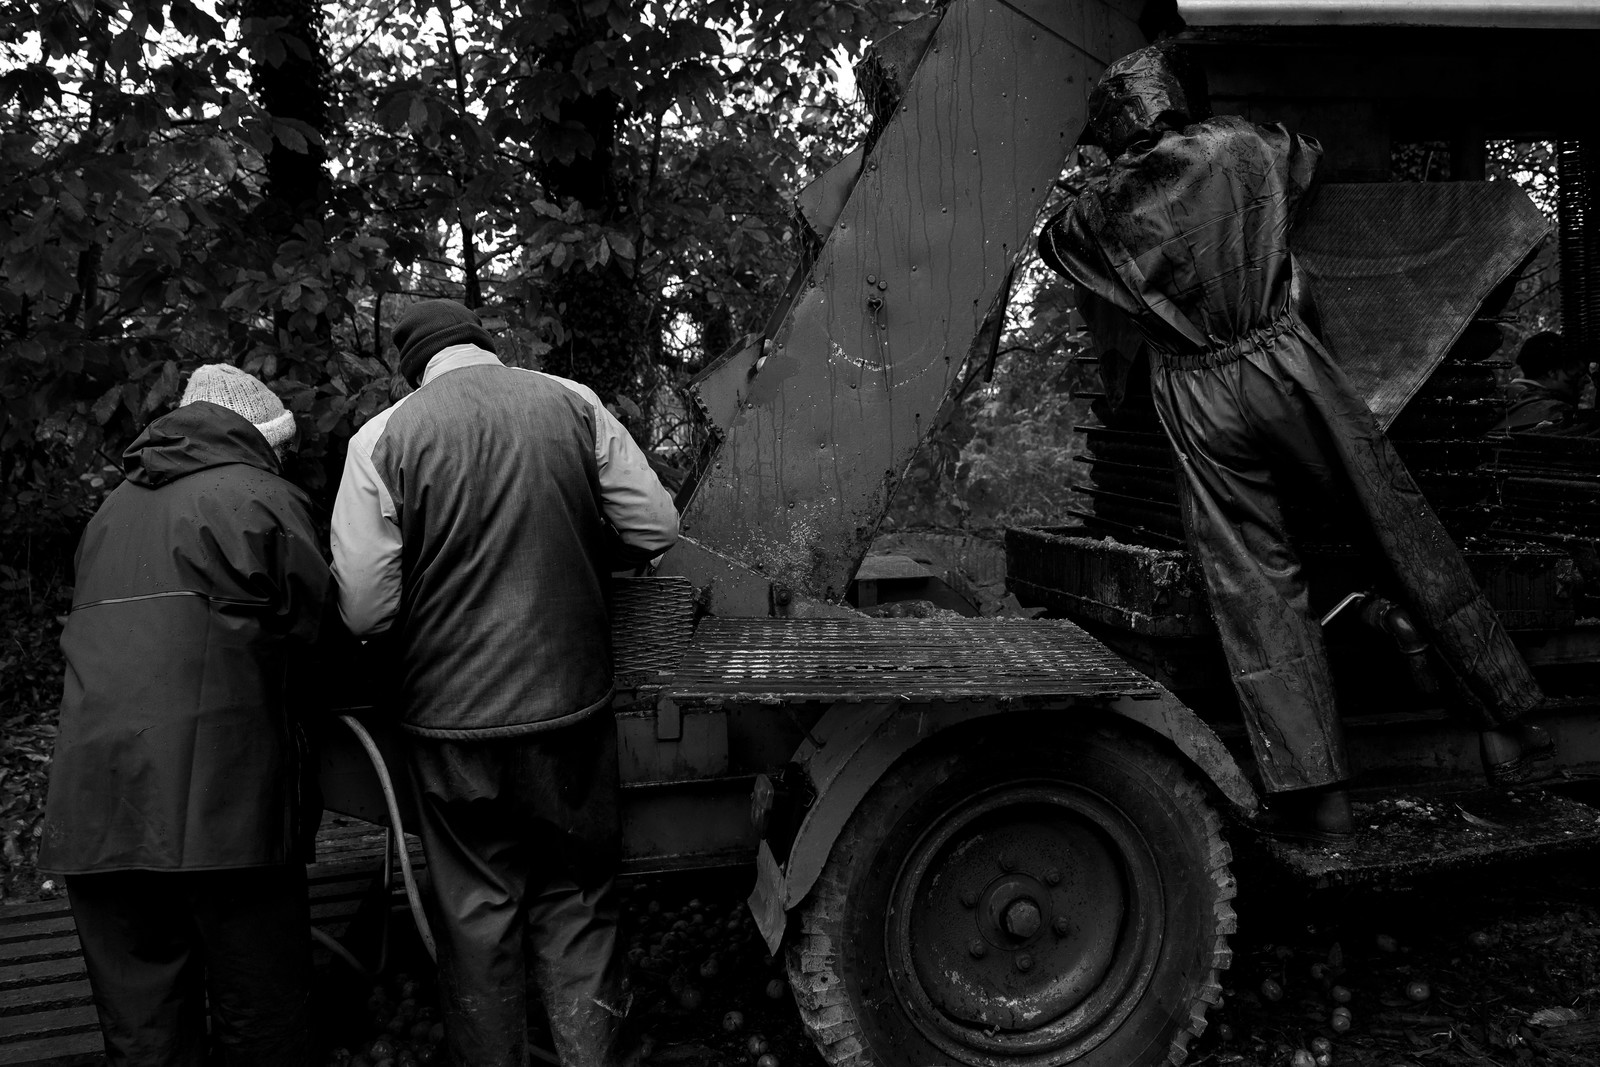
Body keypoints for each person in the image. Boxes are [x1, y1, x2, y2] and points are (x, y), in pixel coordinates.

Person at [1038, 44, 1545, 838]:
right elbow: (1307, 154)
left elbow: (1056, 245)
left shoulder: (1094, 213)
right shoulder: (1242, 144)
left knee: (1256, 585)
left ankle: (1323, 796)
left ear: (1111, 132)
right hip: (1281, 357)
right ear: (1174, 100)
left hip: (1193, 387)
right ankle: (1503, 711)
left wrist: (1106, 181)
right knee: (1392, 522)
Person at [331, 299, 679, 1067]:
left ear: (414, 366)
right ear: (485, 346)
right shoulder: (571, 401)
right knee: (579, 897)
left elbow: (362, 604)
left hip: (449, 725)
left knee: (476, 911)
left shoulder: (380, 438)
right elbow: (656, 528)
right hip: (570, 707)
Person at [40, 364, 334, 1066]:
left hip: (96, 808)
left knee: (145, 1035)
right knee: (261, 1019)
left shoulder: (107, 514)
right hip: (224, 808)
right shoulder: (263, 496)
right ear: (263, 438)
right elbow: (324, 639)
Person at [1491, 330, 1600, 436]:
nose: (1587, 380)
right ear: (1552, 373)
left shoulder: (1496, 398)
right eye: (1579, 373)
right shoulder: (1555, 412)